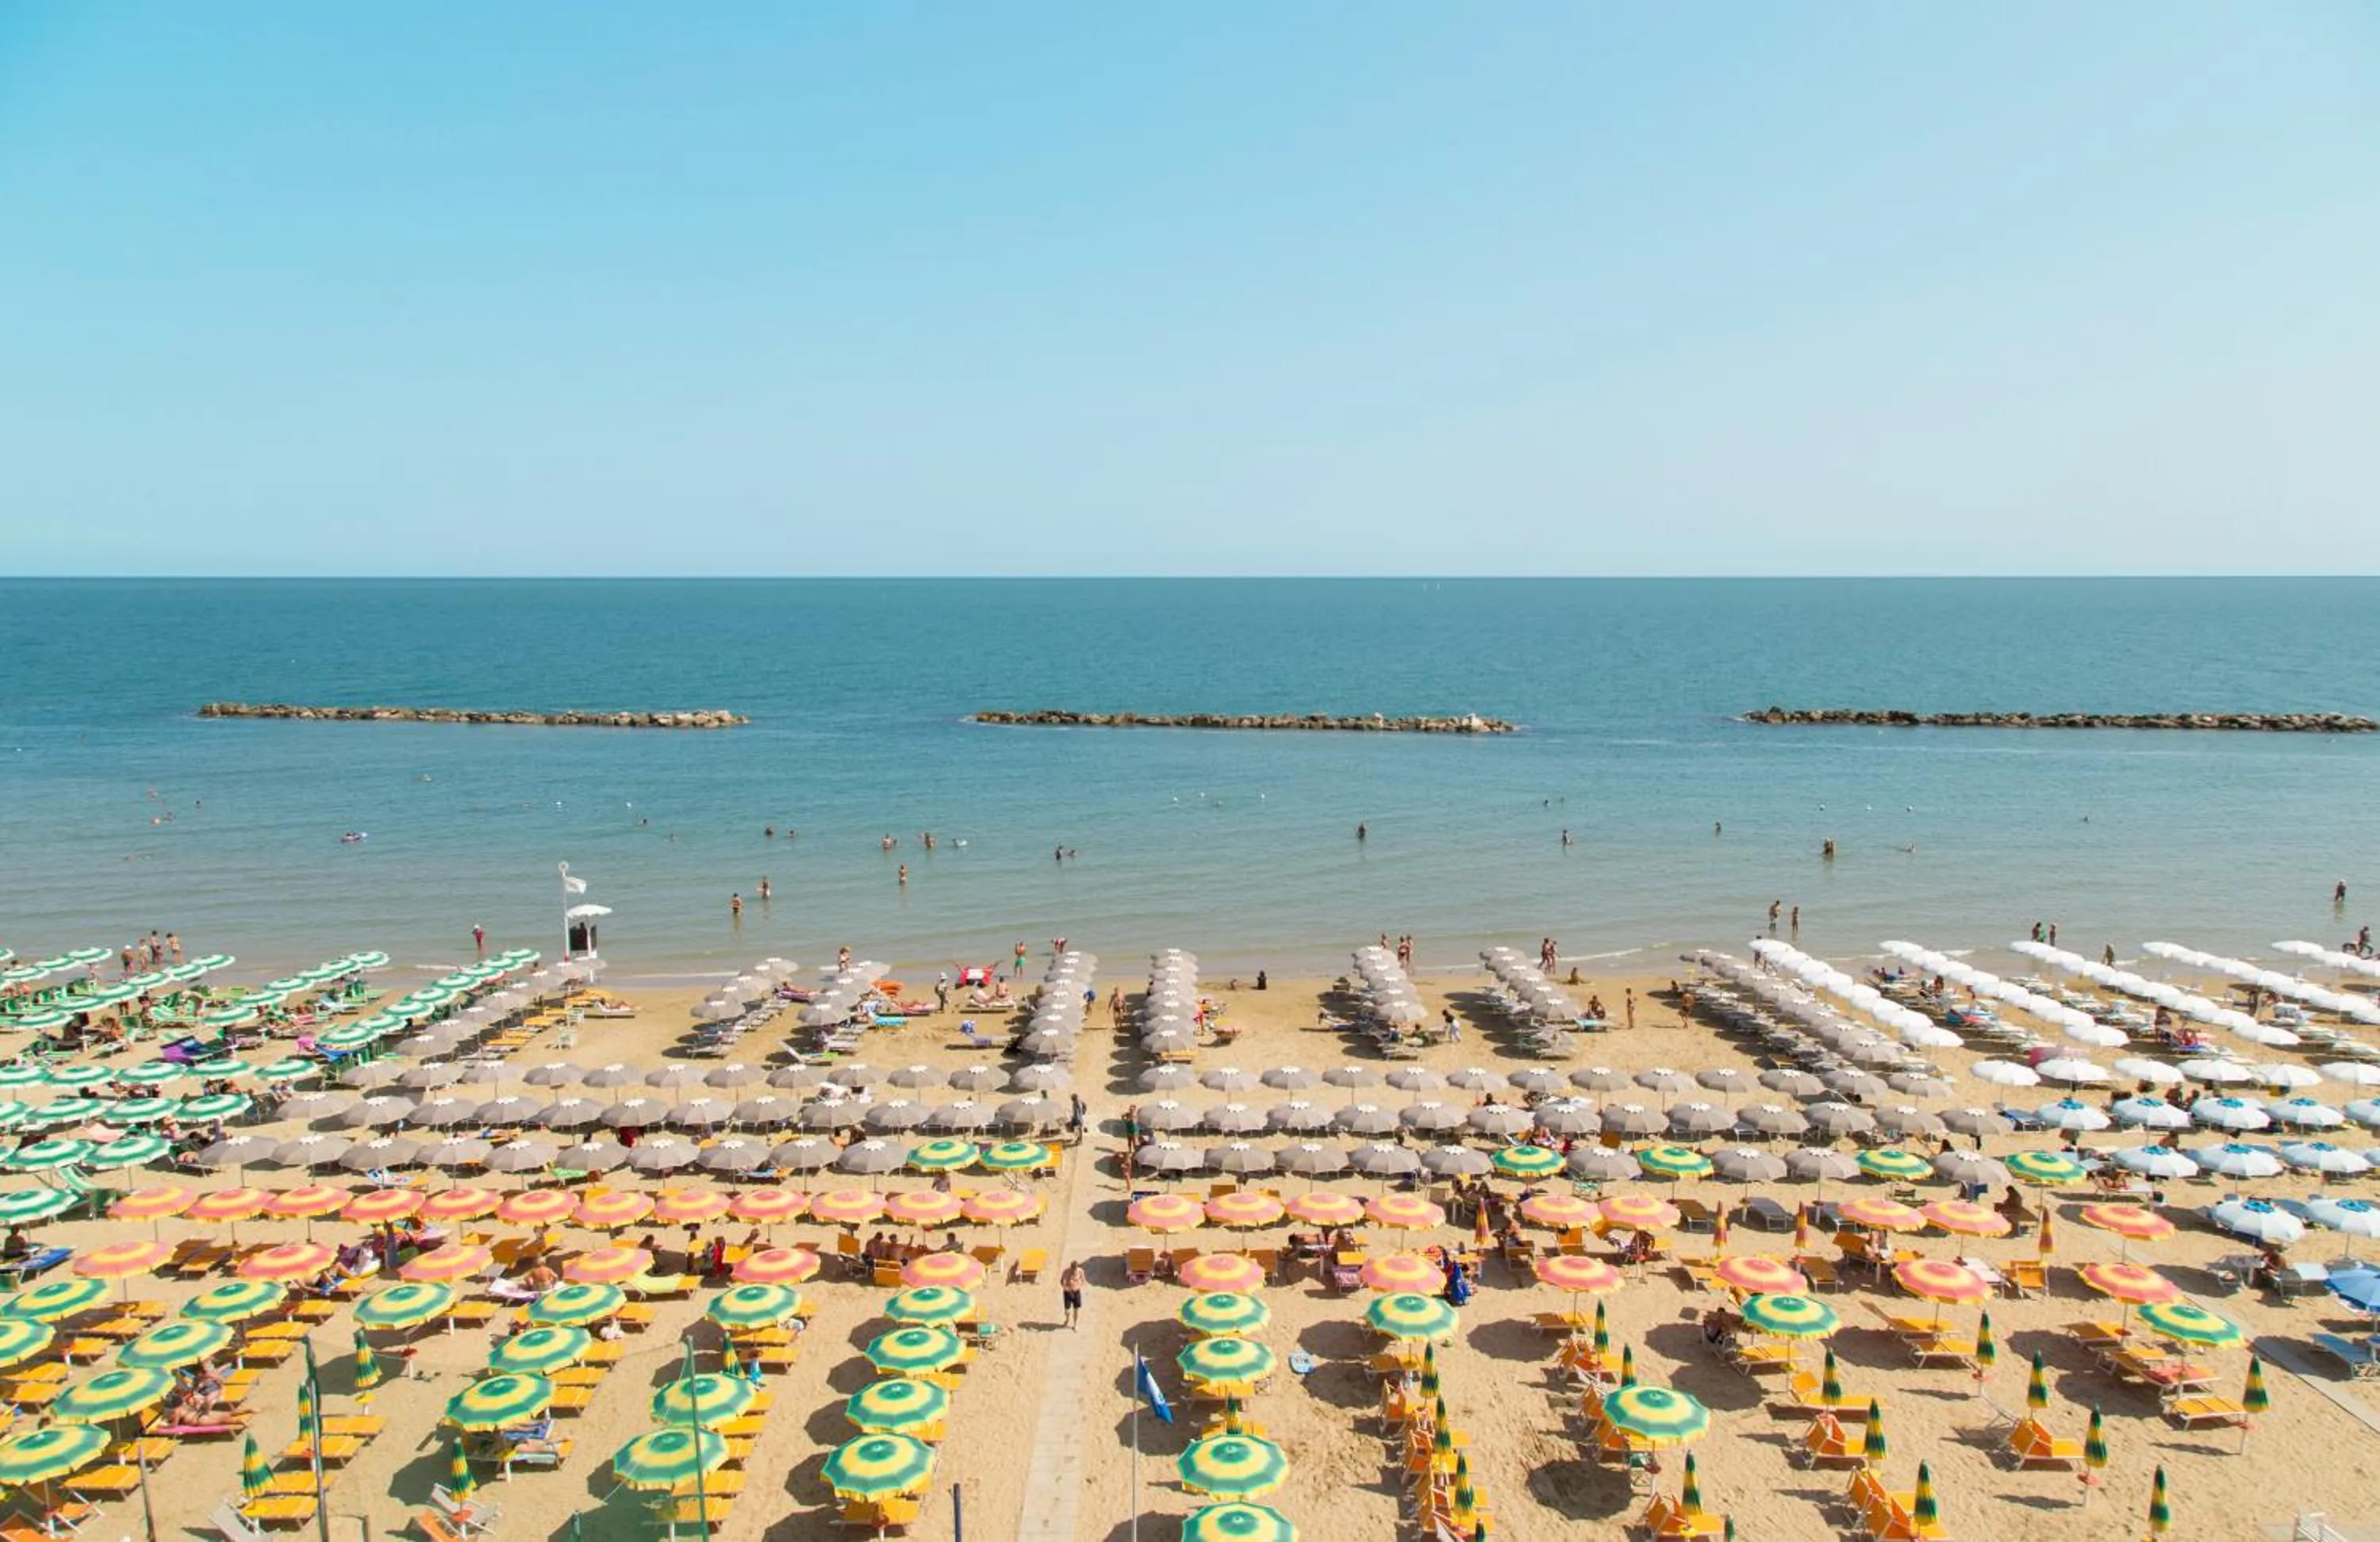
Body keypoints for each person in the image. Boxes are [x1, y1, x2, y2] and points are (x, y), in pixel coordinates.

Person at [1060, 1258, 1086, 1329]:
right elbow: (1062, 1281)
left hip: (1076, 1292)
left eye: (1075, 1269)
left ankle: (1075, 1324)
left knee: (1076, 1310)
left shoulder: (1080, 1271)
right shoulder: (1066, 1272)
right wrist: (1065, 1287)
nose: (1074, 1271)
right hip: (1068, 1292)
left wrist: (1079, 1286)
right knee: (1067, 1310)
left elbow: (1083, 1281)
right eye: (1073, 1269)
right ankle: (1067, 1320)